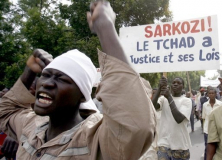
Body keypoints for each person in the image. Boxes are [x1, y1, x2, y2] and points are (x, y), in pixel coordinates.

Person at [0, 1, 155, 159]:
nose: (47, 83)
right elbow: (5, 111)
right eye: (46, 75)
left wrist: (105, 28)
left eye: (62, 79)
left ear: (82, 95)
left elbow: (136, 127)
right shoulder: (31, 125)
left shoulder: (95, 141)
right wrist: (30, 71)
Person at [152, 76, 192, 160]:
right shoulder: (163, 99)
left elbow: (179, 119)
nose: (175, 84)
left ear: (183, 87)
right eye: (173, 83)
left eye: (178, 83)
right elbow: (152, 106)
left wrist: (169, 97)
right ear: (170, 86)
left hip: (180, 146)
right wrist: (160, 87)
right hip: (164, 144)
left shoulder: (186, 101)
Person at [202, 87, 222, 160]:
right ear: (208, 95)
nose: (211, 95)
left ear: (216, 94)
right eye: (210, 93)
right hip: (207, 130)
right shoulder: (205, 105)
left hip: (218, 129)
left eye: (213, 93)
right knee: (208, 147)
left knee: (217, 146)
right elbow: (204, 117)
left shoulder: (220, 104)